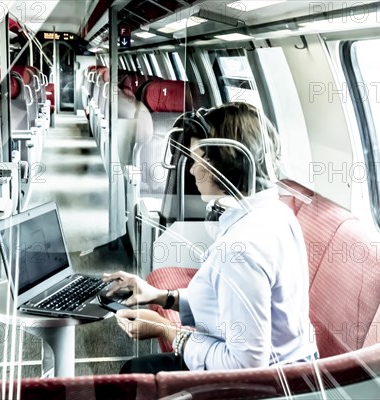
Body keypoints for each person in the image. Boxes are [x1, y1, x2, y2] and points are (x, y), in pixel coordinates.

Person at [103, 102, 318, 373]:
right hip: (290, 366)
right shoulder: (277, 212)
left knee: (134, 376)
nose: (191, 171)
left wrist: (167, 330)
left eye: (197, 160)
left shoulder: (241, 249)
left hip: (267, 384)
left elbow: (245, 367)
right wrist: (161, 297)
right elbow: (226, 303)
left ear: (225, 164)